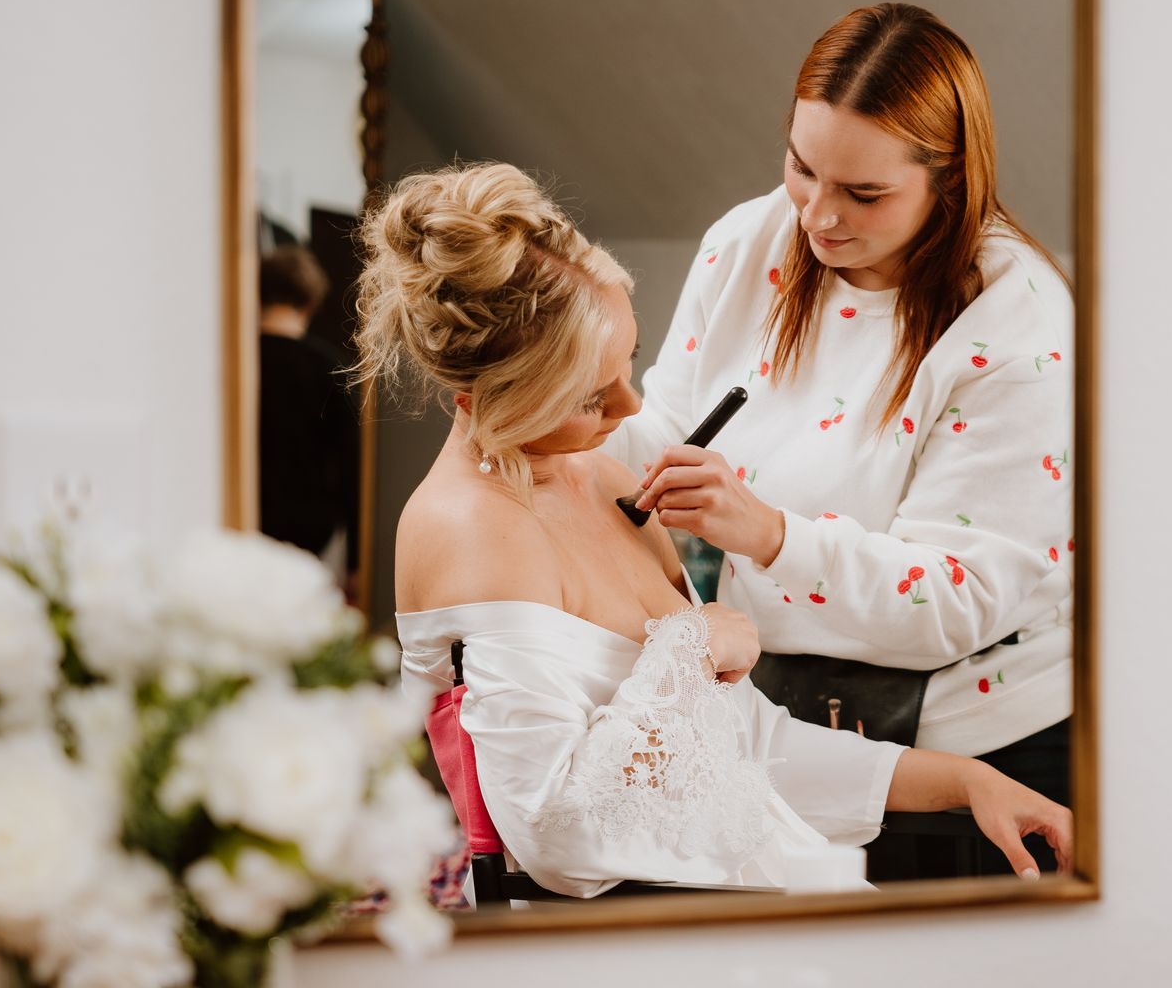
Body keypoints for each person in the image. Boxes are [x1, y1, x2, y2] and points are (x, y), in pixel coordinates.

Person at [359, 162, 1071, 898]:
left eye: (627, 364)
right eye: (590, 396)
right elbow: (558, 834)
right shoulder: (470, 532)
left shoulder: (602, 480)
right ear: (480, 396)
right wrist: (694, 648)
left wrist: (964, 781)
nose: (631, 411)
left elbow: (737, 752)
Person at [605, 4, 1075, 874]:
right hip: (794, 720)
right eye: (801, 167)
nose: (819, 217)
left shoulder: (1018, 327)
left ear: (952, 179)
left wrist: (768, 536)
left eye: (864, 194)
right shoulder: (751, 243)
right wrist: (568, 422)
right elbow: (662, 430)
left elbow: (957, 600)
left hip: (982, 744)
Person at [256, 246, 358, 566]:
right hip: (310, 528)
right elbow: (351, 466)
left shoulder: (235, 363)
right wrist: (357, 558)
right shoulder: (330, 369)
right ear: (311, 303)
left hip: (249, 514)